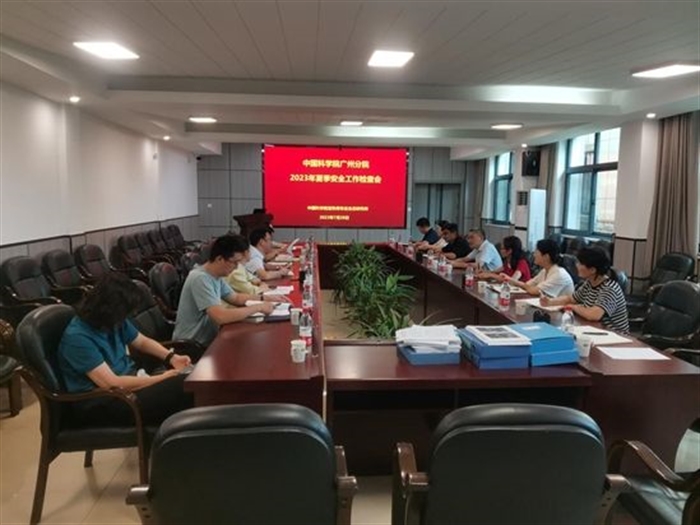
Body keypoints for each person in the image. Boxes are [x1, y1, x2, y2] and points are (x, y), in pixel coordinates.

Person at [58, 272, 194, 426]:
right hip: (102, 402)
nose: (127, 318)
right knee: (184, 385)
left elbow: (141, 342)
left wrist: (172, 357)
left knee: (189, 377)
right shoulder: (77, 337)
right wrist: (163, 378)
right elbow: (112, 383)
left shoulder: (111, 320)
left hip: (125, 388)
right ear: (109, 310)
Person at [173, 234, 278, 347]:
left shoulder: (216, 276)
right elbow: (220, 316)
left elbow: (236, 298)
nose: (236, 267)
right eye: (234, 262)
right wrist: (258, 307)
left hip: (211, 338)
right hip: (193, 345)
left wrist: (264, 298)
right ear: (220, 259)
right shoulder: (200, 278)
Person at [541, 246, 629, 333]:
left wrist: (574, 307)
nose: (577, 265)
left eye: (580, 263)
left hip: (614, 335)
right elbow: (571, 298)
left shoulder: (610, 288)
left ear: (592, 270)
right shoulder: (589, 283)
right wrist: (550, 301)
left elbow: (594, 315)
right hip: (594, 329)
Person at [503, 238, 574, 297]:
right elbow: (527, 285)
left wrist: (511, 280)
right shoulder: (545, 270)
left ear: (546, 256)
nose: (534, 255)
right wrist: (511, 280)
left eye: (536, 252)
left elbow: (534, 291)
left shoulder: (559, 274)